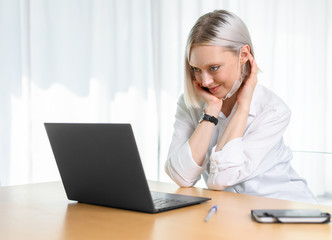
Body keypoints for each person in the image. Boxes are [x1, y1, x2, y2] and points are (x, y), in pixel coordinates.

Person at [164, 9, 317, 204]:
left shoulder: (273, 110)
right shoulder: (191, 105)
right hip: (234, 212)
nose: (205, 81)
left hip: (288, 210)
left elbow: (221, 178)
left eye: (213, 68)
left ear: (243, 54)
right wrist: (211, 110)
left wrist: (243, 107)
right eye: (196, 69)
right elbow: (181, 176)